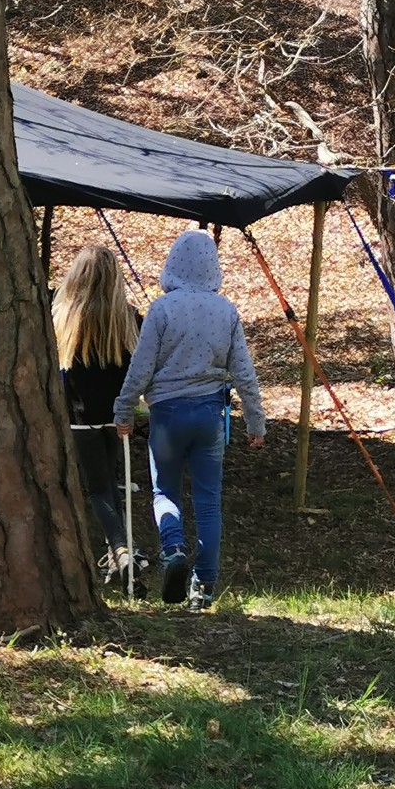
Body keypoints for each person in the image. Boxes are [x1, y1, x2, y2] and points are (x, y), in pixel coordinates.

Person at [112, 228, 264, 611]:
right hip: (210, 416)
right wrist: (256, 425)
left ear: (173, 265)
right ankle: (205, 588)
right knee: (209, 501)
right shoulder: (226, 311)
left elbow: (141, 367)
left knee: (165, 492)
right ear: (213, 268)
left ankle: (174, 547)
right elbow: (244, 373)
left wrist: (124, 409)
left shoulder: (162, 310)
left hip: (166, 415)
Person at [55, 245, 140, 587]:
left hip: (79, 418)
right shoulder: (128, 317)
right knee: (111, 485)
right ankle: (117, 555)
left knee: (98, 490)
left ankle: (121, 550)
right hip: (117, 416)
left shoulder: (62, 315)